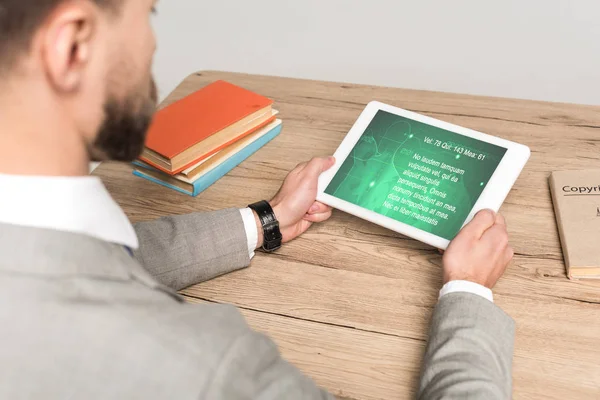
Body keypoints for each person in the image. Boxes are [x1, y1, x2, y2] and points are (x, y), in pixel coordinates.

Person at [0, 1, 515, 399]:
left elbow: (83, 260)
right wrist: (468, 295)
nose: (152, 43)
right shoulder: (204, 367)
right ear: (71, 47)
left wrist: (263, 221)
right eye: (146, 13)